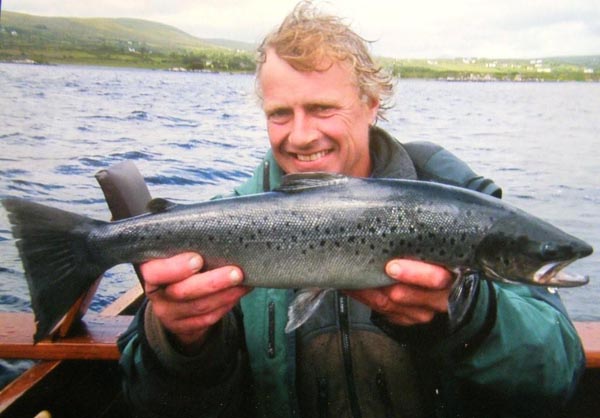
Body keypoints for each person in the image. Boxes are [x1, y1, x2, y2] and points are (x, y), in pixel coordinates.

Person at [118, 2, 585, 417]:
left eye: (322, 108)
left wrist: (472, 315)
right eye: (280, 113)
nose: (300, 135)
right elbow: (154, 405)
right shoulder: (223, 221)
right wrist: (177, 340)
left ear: (371, 105)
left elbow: (555, 378)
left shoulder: (457, 199)